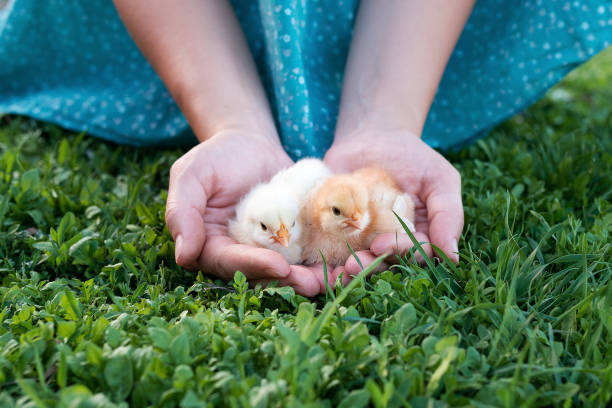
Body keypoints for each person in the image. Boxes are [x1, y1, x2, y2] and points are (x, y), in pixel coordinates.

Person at [1, 1, 610, 296]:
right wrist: (229, 123)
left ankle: (383, 95)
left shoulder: (331, 212)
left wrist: (388, 117)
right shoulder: (304, 217)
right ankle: (241, 95)